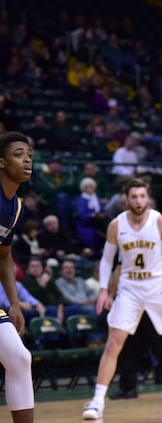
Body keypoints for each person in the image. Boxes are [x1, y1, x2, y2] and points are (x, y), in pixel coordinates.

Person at [81, 178, 162, 420]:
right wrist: (103, 290)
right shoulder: (116, 225)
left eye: (142, 196)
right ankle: (97, 401)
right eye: (134, 197)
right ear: (126, 199)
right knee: (114, 342)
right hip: (130, 286)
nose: (139, 201)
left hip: (157, 285)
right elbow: (108, 259)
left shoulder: (160, 222)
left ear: (148, 198)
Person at [0, 131, 35, 423]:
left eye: (29, 155)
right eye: (18, 153)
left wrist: (15, 303)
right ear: (1, 162)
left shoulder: (16, 206)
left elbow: (4, 255)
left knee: (20, 358)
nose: (27, 159)